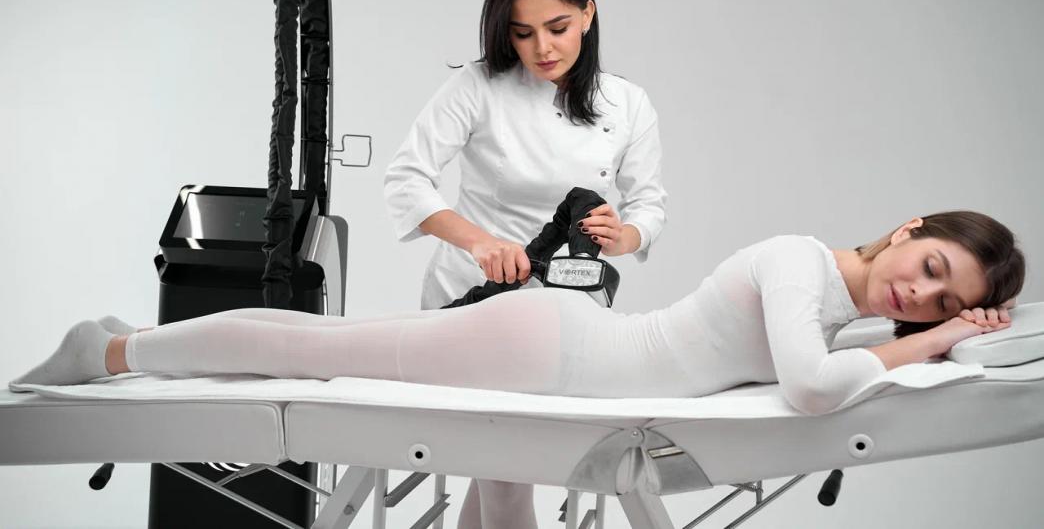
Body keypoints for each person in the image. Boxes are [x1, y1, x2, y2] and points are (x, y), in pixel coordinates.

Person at [13, 210, 1025, 409]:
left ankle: (116, 343)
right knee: (316, 350)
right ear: (908, 227)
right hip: (546, 347)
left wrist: (942, 340)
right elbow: (811, 386)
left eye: (945, 297)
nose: (921, 294)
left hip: (559, 354)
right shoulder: (800, 268)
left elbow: (837, 357)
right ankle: (111, 351)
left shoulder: (836, 303)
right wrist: (938, 338)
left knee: (326, 343)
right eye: (932, 267)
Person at [382, 0, 668, 526]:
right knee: (507, 466)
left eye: (557, 28)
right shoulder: (477, 87)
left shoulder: (627, 103)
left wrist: (625, 236)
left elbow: (649, 203)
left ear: (588, 14)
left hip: (568, 311)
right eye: (522, 33)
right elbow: (406, 179)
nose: (542, 48)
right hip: (473, 299)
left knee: (502, 467)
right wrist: (478, 243)